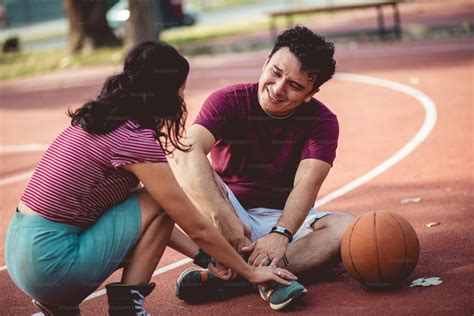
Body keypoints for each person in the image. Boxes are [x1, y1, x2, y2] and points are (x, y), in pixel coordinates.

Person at [4, 41, 296, 316]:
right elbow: (193, 224)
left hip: (20, 254)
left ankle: (60, 303)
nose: (182, 97)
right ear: (165, 93)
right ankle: (127, 307)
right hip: (51, 265)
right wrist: (250, 273)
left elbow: (148, 223)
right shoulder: (135, 140)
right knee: (163, 200)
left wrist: (207, 260)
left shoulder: (97, 119)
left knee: (153, 201)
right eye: (181, 90)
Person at [169, 26, 356, 310]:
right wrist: (225, 217)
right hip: (228, 211)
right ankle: (266, 275)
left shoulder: (322, 121)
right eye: (276, 72)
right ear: (266, 61)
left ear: (311, 93)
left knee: (347, 229)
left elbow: (307, 184)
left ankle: (242, 276)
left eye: (294, 86)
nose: (278, 89)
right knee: (192, 165)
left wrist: (281, 234)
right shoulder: (228, 100)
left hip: (279, 218)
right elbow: (185, 152)